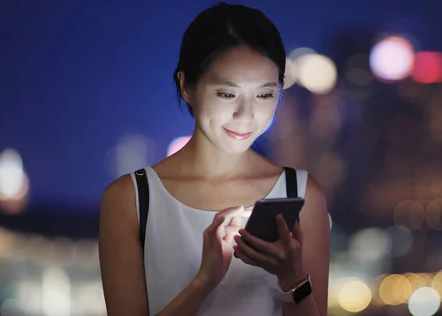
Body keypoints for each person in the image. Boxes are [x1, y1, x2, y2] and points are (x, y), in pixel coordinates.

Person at [98, 3, 330, 316]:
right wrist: (204, 281)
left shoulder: (301, 195)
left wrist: (292, 280)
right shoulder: (131, 199)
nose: (246, 115)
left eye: (264, 94)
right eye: (227, 94)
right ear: (186, 85)